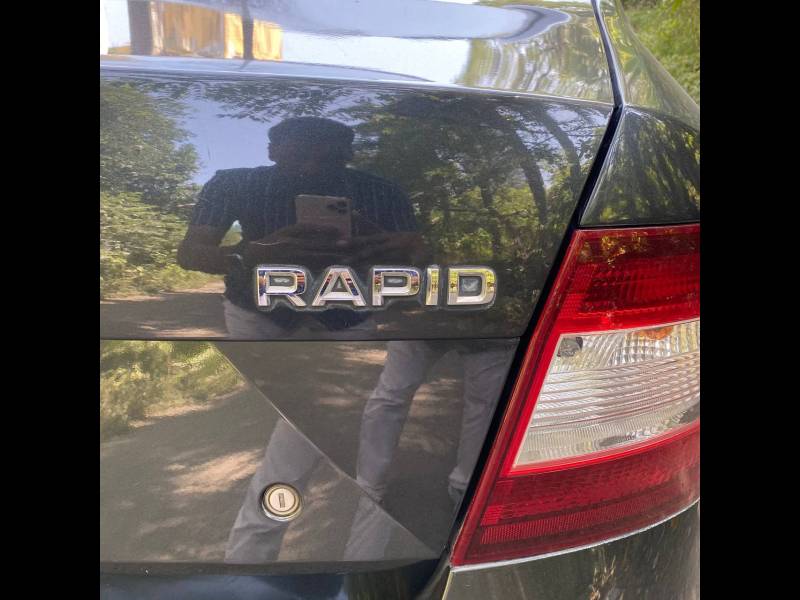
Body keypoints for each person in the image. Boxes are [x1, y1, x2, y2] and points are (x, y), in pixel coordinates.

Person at [177, 116, 425, 335]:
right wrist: (249, 255)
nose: (311, 168)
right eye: (296, 157)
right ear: (272, 151)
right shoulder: (233, 184)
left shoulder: (383, 191)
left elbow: (419, 259)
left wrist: (401, 252)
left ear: (349, 155)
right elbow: (189, 254)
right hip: (256, 312)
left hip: (348, 313)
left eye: (329, 160)